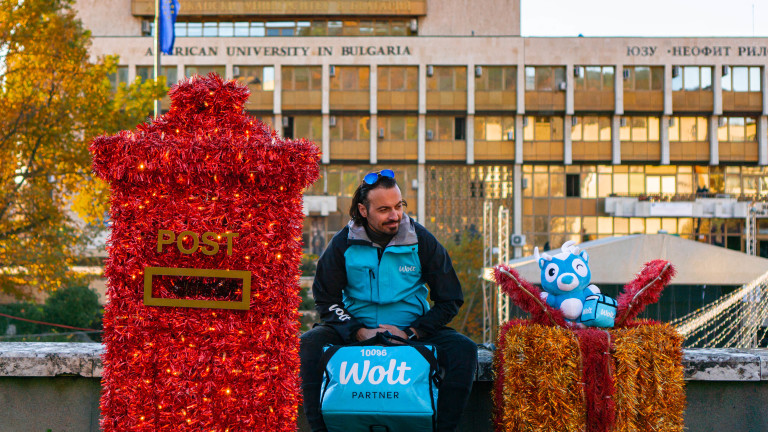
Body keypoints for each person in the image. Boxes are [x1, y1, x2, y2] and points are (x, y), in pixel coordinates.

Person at [299, 169, 478, 432]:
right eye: (384, 209)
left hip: (412, 332)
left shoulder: (422, 241)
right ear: (363, 210)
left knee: (464, 349)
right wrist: (357, 331)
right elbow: (326, 299)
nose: (394, 215)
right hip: (357, 330)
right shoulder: (342, 244)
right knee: (309, 343)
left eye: (398, 206)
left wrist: (412, 331)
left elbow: (450, 299)